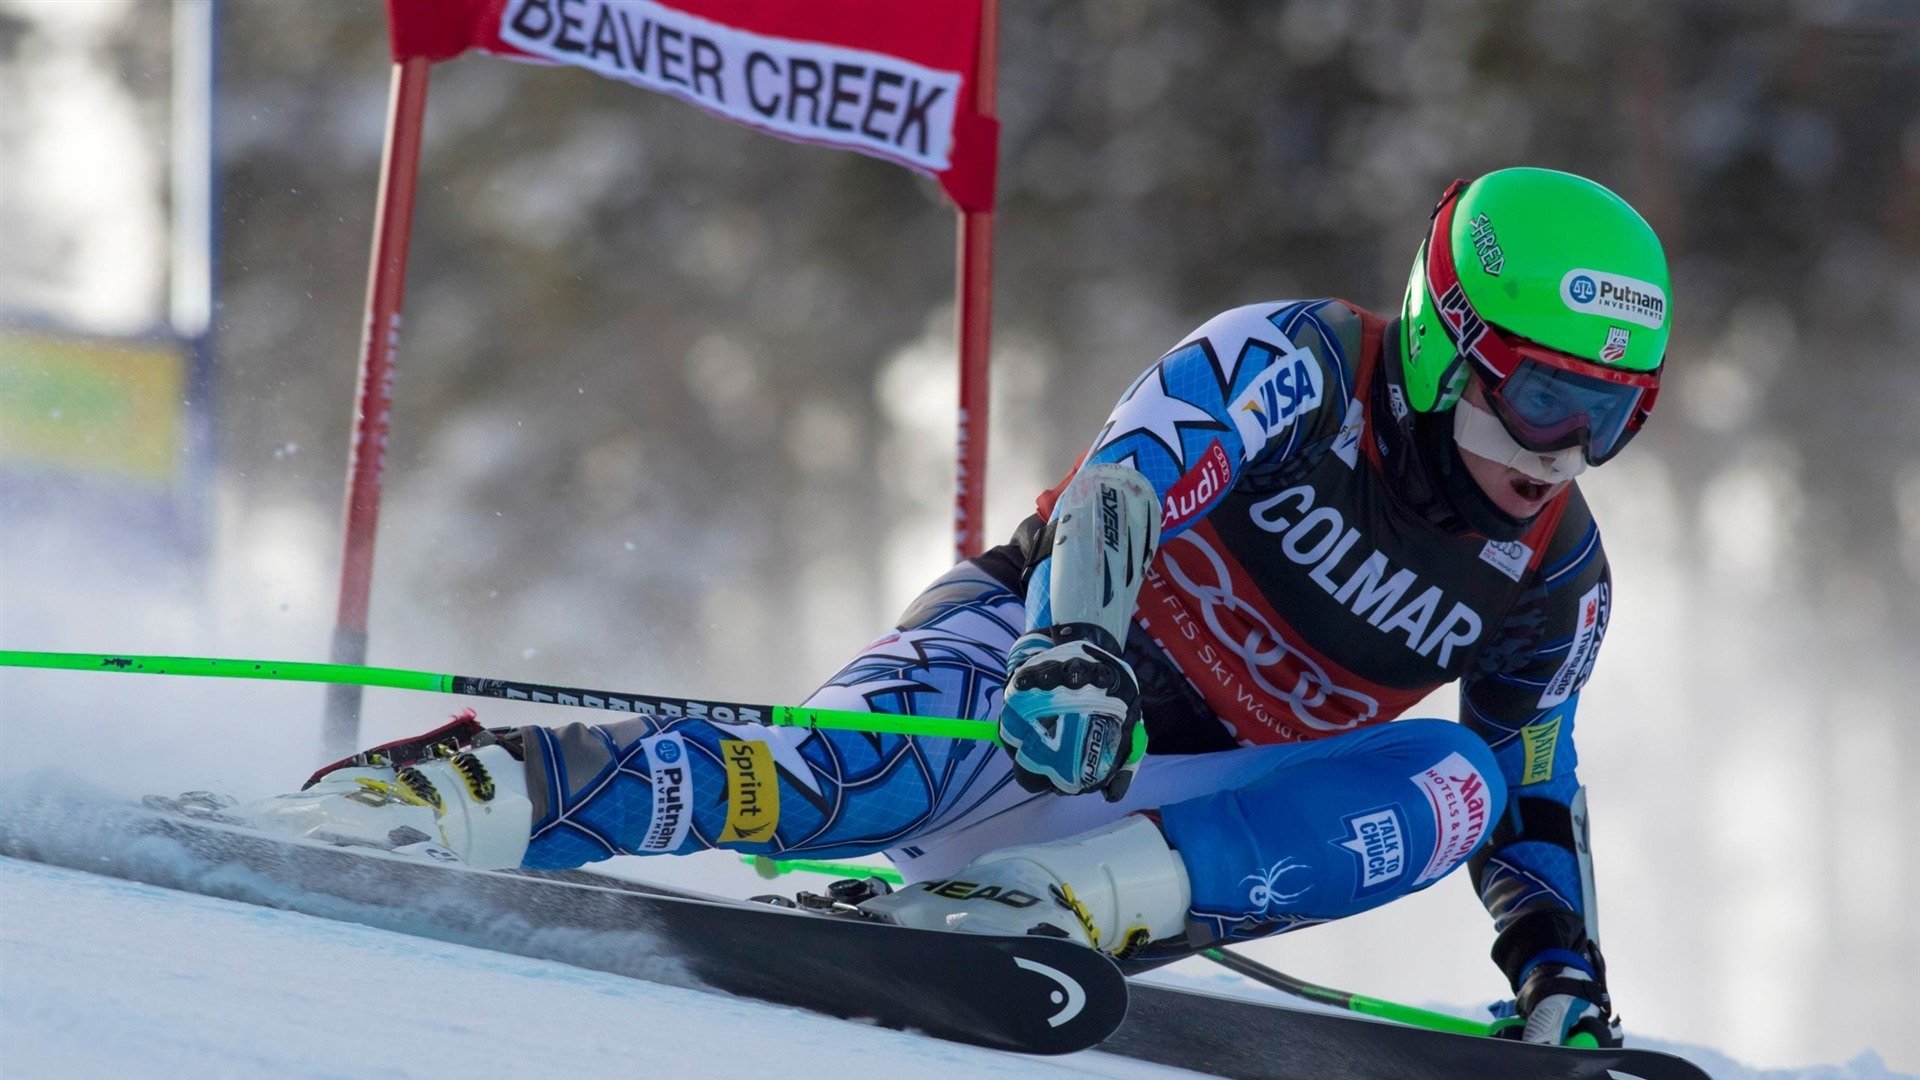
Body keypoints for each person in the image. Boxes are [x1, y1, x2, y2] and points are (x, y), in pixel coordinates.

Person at [253, 166, 1669, 1049]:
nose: (1563, 451)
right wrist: (1074, 648)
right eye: (1546, 394)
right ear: (1446, 343)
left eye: (1615, 417)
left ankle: (1035, 907)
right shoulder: (1298, 361)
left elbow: (1537, 780)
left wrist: (1557, 967)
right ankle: (472, 791)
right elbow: (1128, 481)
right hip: (1038, 676)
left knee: (1461, 781)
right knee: (845, 779)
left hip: (1172, 821)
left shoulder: (1556, 575)